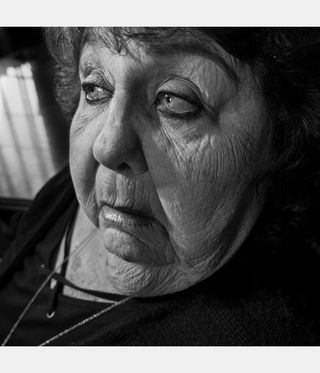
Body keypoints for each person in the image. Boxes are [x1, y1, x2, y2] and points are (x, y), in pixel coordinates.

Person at [1, 27, 320, 345]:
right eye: (96, 89)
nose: (107, 148)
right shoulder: (78, 191)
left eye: (174, 99)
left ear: (282, 136)